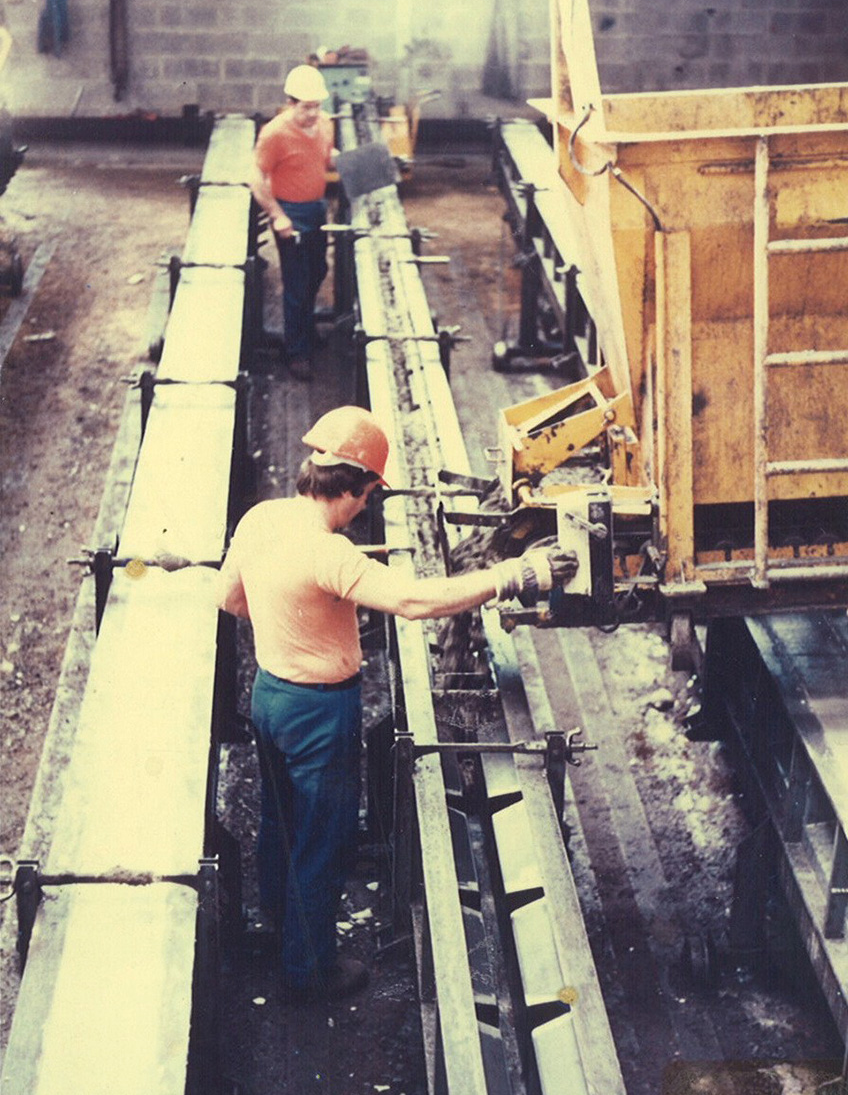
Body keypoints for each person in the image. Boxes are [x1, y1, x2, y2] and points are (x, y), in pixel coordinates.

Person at [218, 405, 578, 1002]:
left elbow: (230, 599)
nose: (364, 509)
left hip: (269, 696)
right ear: (354, 489)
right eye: (366, 497)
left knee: (279, 822)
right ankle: (309, 972)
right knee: (323, 839)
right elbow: (415, 603)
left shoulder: (262, 520)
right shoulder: (331, 555)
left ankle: (281, 929)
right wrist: (516, 572)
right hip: (318, 713)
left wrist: (293, 614)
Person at [250, 64, 338, 383]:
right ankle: (296, 351)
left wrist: (346, 160)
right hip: (291, 213)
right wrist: (278, 216)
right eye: (305, 108)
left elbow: (325, 156)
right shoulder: (274, 133)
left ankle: (307, 327)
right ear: (290, 103)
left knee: (319, 271)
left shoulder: (325, 123)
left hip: (316, 208)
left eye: (316, 106)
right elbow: (255, 177)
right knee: (297, 283)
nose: (312, 114)